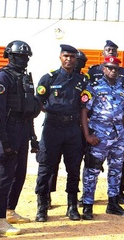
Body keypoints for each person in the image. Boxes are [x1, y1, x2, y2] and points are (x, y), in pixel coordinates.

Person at [0, 40, 41, 235]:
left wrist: (33, 136)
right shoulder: (3, 78)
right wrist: (4, 140)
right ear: (9, 56)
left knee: (19, 173)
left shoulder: (25, 78)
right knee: (4, 175)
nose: (23, 60)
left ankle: (10, 211)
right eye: (19, 56)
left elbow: (28, 111)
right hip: (8, 130)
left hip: (23, 128)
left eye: (25, 56)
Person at [34, 44, 88, 222]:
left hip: (72, 129)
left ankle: (72, 206)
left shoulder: (81, 81)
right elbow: (39, 102)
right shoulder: (49, 78)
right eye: (66, 56)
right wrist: (55, 113)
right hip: (52, 128)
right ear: (60, 57)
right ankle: (42, 207)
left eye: (72, 57)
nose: (69, 59)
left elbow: (84, 105)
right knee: (45, 167)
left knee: (73, 168)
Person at [80, 56, 124, 218]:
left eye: (116, 68)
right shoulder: (93, 87)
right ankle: (87, 205)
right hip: (99, 136)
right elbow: (84, 111)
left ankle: (113, 204)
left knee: (116, 171)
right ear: (104, 69)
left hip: (118, 137)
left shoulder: (122, 90)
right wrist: (87, 135)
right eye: (110, 68)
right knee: (92, 170)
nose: (113, 71)